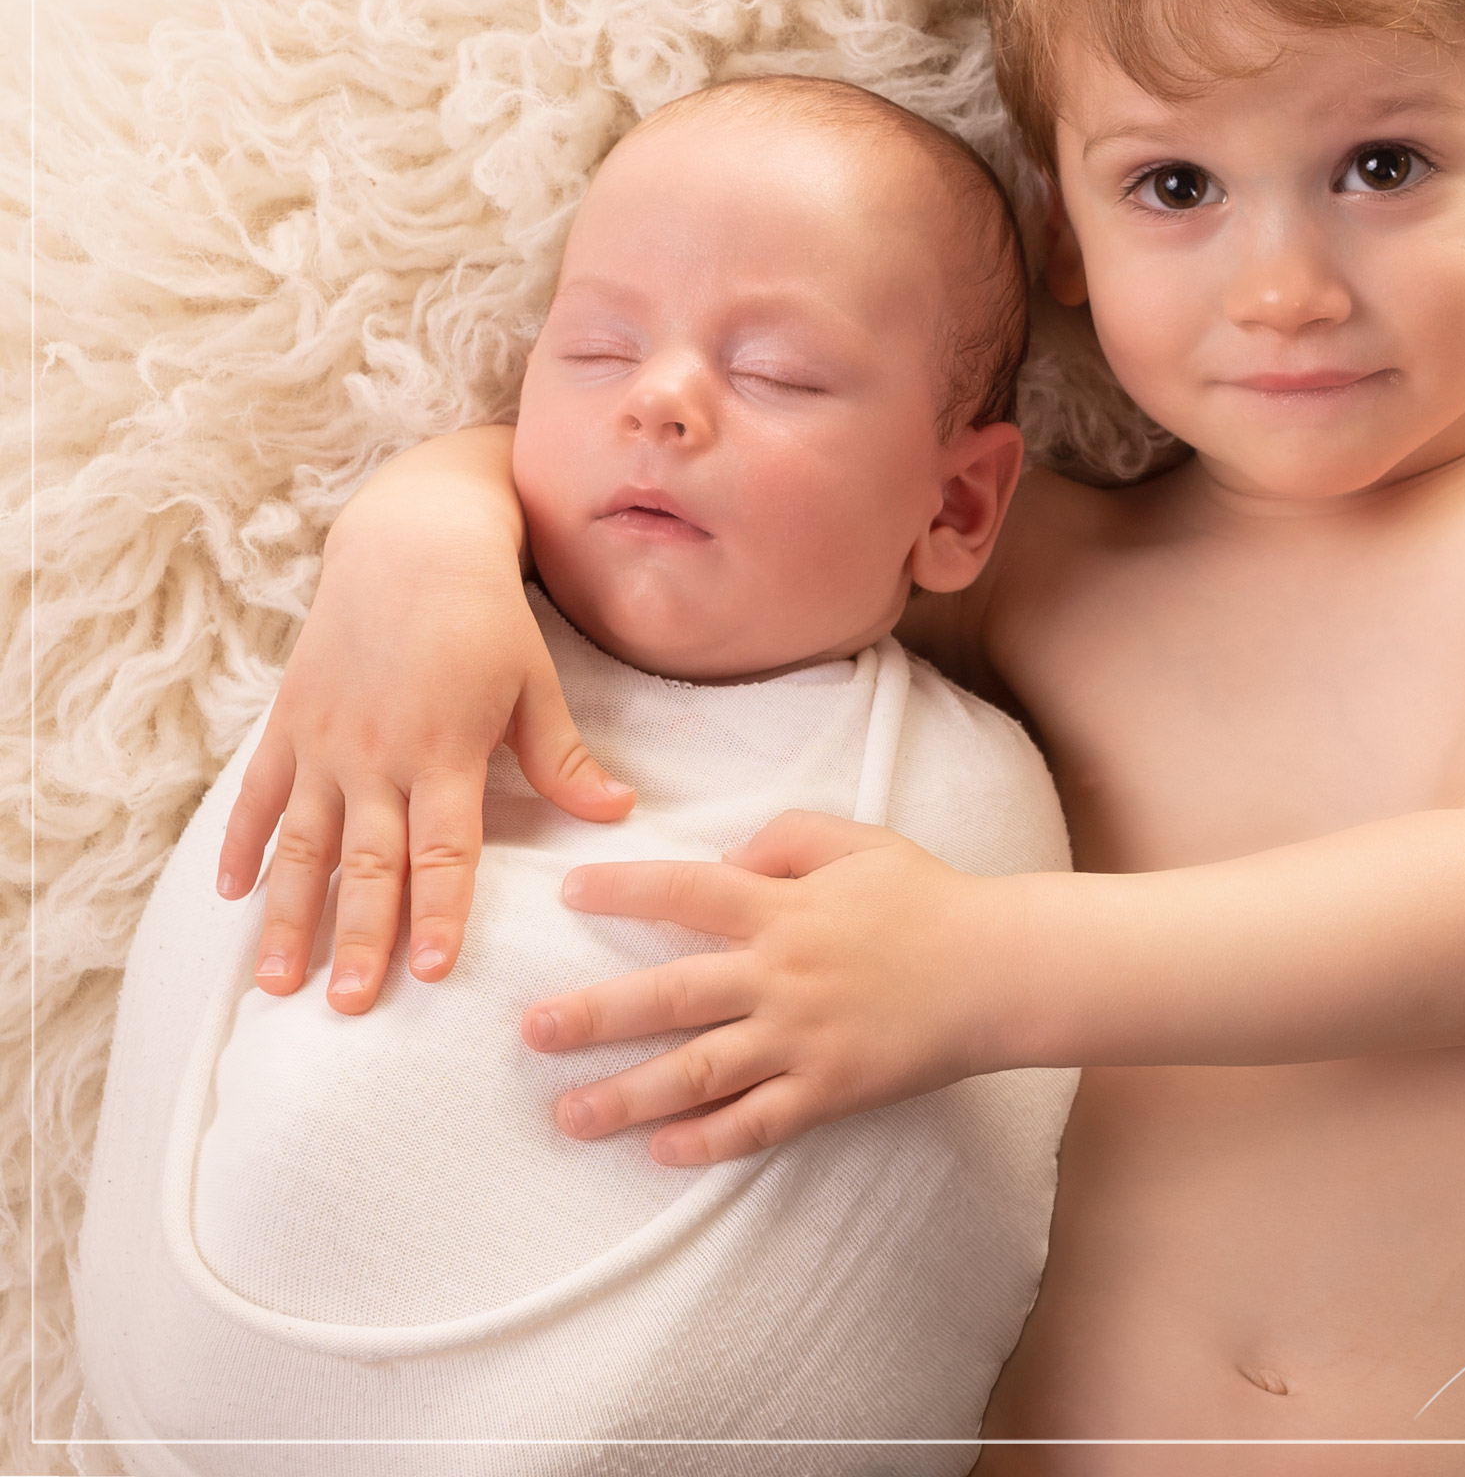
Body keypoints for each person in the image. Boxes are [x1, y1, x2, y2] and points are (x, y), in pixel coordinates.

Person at [209, 0, 1465, 1475]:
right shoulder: (1036, 563)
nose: (1281, 285)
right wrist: (417, 534)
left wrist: (970, 972)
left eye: (1382, 163)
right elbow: (699, 487)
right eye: (1176, 188)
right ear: (1062, 223)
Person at [72, 79, 1079, 1477]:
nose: (662, 398)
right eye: (599, 347)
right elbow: (249, 914)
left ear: (957, 504)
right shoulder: (408, 651)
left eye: (779, 372)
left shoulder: (963, 792)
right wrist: (420, 520)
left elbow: (930, 1193)